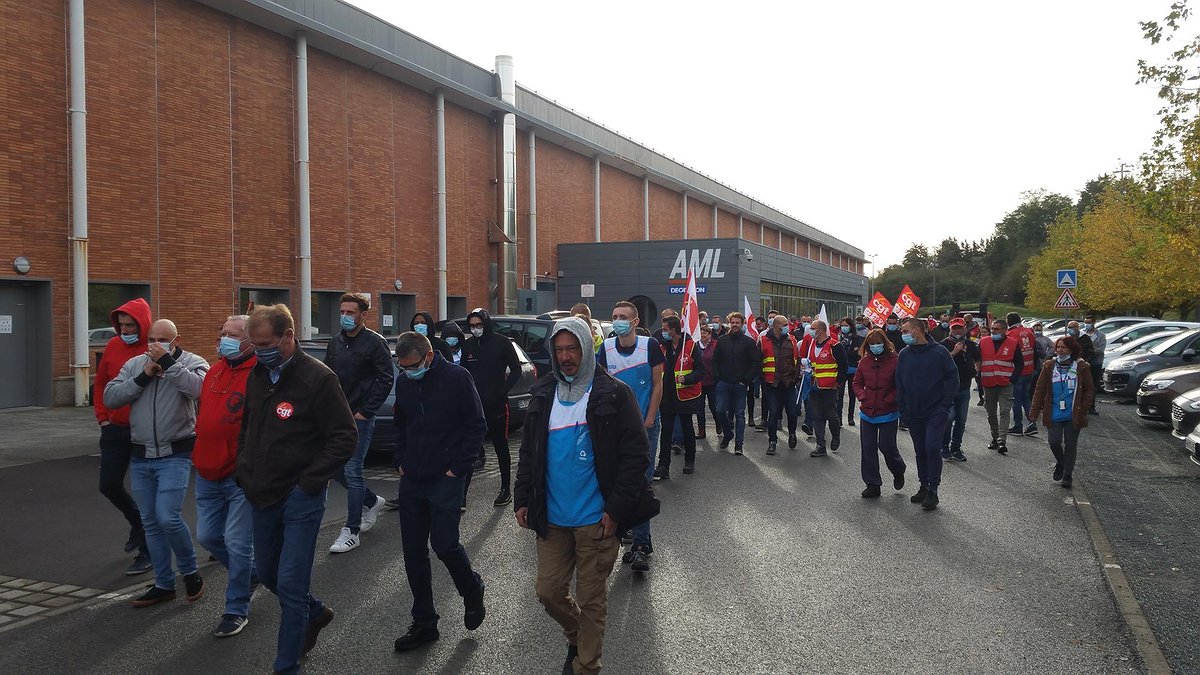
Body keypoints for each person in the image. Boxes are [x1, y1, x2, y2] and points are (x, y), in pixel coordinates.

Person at [514, 318, 659, 675]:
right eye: (559, 350)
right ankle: (577, 634)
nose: (566, 357)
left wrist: (616, 509)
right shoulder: (543, 392)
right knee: (548, 592)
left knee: (591, 600)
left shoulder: (613, 393)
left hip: (597, 520)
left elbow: (636, 456)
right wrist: (522, 496)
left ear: (586, 349)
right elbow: (530, 451)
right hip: (551, 518)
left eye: (573, 349)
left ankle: (586, 665)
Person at [237, 304, 357, 674]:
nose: (259, 351)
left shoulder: (318, 379)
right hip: (261, 494)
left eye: (265, 343)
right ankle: (316, 611)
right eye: (254, 345)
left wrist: (309, 482)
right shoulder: (258, 374)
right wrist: (243, 469)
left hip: (299, 498)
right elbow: (249, 427)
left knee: (289, 583)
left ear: (288, 337)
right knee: (269, 574)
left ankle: (285, 665)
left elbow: (344, 437)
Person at [390, 331, 488, 651]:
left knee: (445, 545)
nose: (407, 371)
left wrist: (457, 468)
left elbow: (476, 424)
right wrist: (400, 460)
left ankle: (471, 589)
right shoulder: (405, 382)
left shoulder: (458, 378)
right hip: (413, 480)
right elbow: (400, 423)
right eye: (402, 366)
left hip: (445, 477)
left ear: (429, 356)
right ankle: (424, 622)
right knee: (413, 554)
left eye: (412, 365)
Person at [104, 319, 209, 607]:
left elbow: (201, 390)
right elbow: (110, 397)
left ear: (176, 340)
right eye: (152, 338)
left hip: (175, 453)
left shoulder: (193, 361)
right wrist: (143, 376)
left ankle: (190, 572)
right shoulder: (136, 364)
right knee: (150, 522)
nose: (156, 344)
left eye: (163, 339)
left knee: (167, 516)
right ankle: (164, 583)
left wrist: (170, 366)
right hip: (141, 455)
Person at [193, 315, 258, 637]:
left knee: (236, 542)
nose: (224, 340)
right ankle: (253, 574)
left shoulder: (260, 374)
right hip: (207, 471)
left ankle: (236, 608)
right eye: (222, 334)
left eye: (232, 335)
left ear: (249, 340)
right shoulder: (214, 371)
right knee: (208, 537)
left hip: (238, 476)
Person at [596, 301, 663, 572]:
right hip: (614, 428)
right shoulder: (606, 348)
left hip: (646, 426)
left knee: (641, 481)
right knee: (614, 482)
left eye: (623, 317)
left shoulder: (650, 346)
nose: (618, 320)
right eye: (614, 317)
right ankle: (622, 533)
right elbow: (599, 385)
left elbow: (659, 384)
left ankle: (641, 545)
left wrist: (649, 417)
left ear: (635, 322)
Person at [325, 293, 393, 554]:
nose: (344, 317)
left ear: (363, 315)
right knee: (334, 468)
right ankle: (371, 500)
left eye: (350, 312)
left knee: (353, 470)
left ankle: (351, 531)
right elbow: (327, 377)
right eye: (342, 312)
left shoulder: (375, 343)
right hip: (336, 416)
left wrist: (366, 411)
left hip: (360, 418)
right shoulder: (335, 343)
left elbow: (386, 378)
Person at [92, 298, 153, 575]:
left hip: (143, 431)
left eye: (131, 325)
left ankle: (147, 551)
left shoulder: (152, 349)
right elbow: (102, 382)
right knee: (108, 485)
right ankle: (137, 523)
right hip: (115, 428)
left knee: (147, 494)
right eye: (122, 325)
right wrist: (102, 417)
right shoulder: (114, 346)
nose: (126, 330)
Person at [895, 318, 959, 510]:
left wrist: (944, 406)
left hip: (935, 411)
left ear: (917, 331)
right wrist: (903, 409)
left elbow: (952, 378)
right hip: (913, 412)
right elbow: (899, 383)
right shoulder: (904, 354)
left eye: (906, 330)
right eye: (902, 331)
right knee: (920, 450)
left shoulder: (940, 352)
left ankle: (933, 489)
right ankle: (923, 485)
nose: (903, 334)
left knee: (932, 448)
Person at [462, 308, 523, 506]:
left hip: (496, 405)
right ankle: (462, 494)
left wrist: (503, 391)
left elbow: (516, 369)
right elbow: (463, 372)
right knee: (469, 448)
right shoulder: (468, 345)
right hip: (473, 405)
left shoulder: (501, 342)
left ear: (486, 323)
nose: (476, 329)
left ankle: (505, 488)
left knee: (500, 446)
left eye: (479, 325)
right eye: (472, 326)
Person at [1029, 335, 1095, 489]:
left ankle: (1067, 475)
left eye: (1063, 347)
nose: (1059, 350)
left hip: (1073, 413)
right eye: (1057, 347)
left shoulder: (1082, 366)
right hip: (1054, 411)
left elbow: (1089, 390)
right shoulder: (1049, 366)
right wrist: (1034, 410)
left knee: (1071, 445)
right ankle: (1061, 462)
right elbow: (1040, 389)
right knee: (1054, 442)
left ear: (1071, 349)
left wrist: (1084, 408)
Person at [853, 330, 906, 498]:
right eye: (872, 344)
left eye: (878, 343)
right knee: (868, 449)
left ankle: (898, 469)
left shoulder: (895, 361)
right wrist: (863, 396)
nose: (875, 347)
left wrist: (890, 399)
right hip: (867, 412)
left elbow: (901, 385)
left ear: (884, 343)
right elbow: (857, 383)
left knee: (887, 446)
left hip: (888, 411)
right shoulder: (864, 362)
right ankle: (872, 483)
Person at [655, 315, 705, 477]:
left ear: (673, 330)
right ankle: (663, 466)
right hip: (666, 396)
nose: (662, 332)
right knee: (666, 431)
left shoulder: (690, 346)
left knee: (687, 429)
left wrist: (688, 378)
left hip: (684, 395)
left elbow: (700, 370)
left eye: (665, 329)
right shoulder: (662, 347)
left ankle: (689, 460)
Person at [712, 312, 761, 456]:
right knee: (720, 410)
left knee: (740, 414)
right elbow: (715, 360)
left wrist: (745, 380)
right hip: (723, 383)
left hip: (740, 384)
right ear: (729, 323)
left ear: (742, 324)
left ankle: (739, 444)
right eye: (732, 322)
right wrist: (717, 377)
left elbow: (755, 363)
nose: (735, 325)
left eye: (737, 323)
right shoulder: (722, 340)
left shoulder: (749, 342)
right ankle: (728, 434)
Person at [803, 320, 849, 458]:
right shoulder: (812, 345)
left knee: (831, 415)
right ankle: (820, 445)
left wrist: (838, 383)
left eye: (813, 328)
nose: (810, 330)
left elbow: (843, 366)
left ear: (821, 330)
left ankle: (835, 436)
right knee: (817, 416)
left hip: (830, 387)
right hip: (814, 387)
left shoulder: (835, 345)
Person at [939, 318, 981, 463]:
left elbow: (977, 358)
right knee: (948, 418)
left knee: (961, 420)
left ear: (965, 329)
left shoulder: (970, 344)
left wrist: (977, 368)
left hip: (964, 387)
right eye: (954, 328)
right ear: (950, 329)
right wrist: (955, 351)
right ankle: (944, 447)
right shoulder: (943, 345)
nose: (957, 331)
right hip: (948, 389)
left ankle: (956, 447)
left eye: (960, 328)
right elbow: (939, 363)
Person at [980, 318, 1023, 455]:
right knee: (991, 413)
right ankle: (995, 437)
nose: (993, 331)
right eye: (992, 329)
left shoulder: (1013, 343)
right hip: (988, 383)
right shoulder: (983, 342)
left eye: (997, 329)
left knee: (1004, 412)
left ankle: (1001, 440)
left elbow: (1019, 363)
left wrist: (1012, 379)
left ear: (1005, 331)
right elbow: (977, 360)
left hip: (1005, 384)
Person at [759, 315, 800, 455]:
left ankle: (792, 434)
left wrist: (796, 377)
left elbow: (797, 360)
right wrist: (763, 381)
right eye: (784, 325)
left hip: (788, 383)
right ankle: (772, 441)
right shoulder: (763, 341)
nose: (787, 327)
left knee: (792, 413)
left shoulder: (792, 340)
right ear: (776, 326)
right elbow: (758, 362)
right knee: (774, 413)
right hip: (772, 384)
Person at [1006, 312, 1038, 437]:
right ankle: (1032, 423)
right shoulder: (1029, 332)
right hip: (1029, 370)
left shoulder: (1011, 334)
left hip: (1017, 372)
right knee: (1026, 398)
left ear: (1009, 321)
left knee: (1016, 400)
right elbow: (1035, 351)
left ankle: (1018, 426)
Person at [836, 317, 864, 426]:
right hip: (841, 369)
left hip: (853, 369)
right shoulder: (838, 338)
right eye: (842, 325)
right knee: (840, 394)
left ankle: (850, 417)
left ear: (851, 326)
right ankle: (839, 418)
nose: (844, 327)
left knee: (852, 395)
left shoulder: (857, 338)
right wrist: (850, 351)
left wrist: (847, 353)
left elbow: (857, 354)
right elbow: (839, 354)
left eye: (846, 325)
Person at [695, 323, 721, 440]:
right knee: (699, 408)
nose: (702, 335)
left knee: (714, 406)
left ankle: (718, 423)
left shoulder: (715, 346)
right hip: (699, 382)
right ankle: (701, 430)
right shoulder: (695, 346)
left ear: (710, 335)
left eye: (705, 333)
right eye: (701, 333)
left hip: (712, 382)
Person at [1082, 314, 1105, 415]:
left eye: (1089, 323)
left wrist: (1090, 350)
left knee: (1093, 385)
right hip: (1084, 362)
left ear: (1094, 323)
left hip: (1095, 363)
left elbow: (1100, 349)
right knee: (1083, 384)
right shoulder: (1082, 334)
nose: (1087, 325)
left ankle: (1092, 407)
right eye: (1086, 323)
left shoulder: (1100, 335)